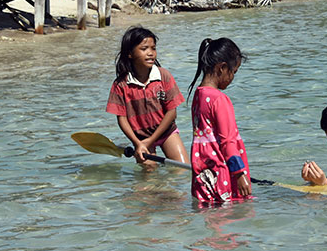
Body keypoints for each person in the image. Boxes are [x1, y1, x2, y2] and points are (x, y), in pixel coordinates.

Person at [106, 26, 188, 165]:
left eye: (153, 48)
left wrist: (152, 139)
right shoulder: (121, 85)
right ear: (130, 54)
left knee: (182, 169)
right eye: (144, 49)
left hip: (166, 132)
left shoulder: (164, 76)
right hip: (141, 138)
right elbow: (122, 119)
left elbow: (171, 112)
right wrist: (138, 143)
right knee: (149, 177)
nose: (150, 53)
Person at [188, 38, 251, 206]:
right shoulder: (219, 99)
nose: (232, 78)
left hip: (202, 171)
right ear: (222, 68)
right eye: (233, 72)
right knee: (228, 221)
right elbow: (228, 141)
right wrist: (239, 174)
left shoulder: (199, 95)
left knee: (210, 217)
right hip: (221, 171)